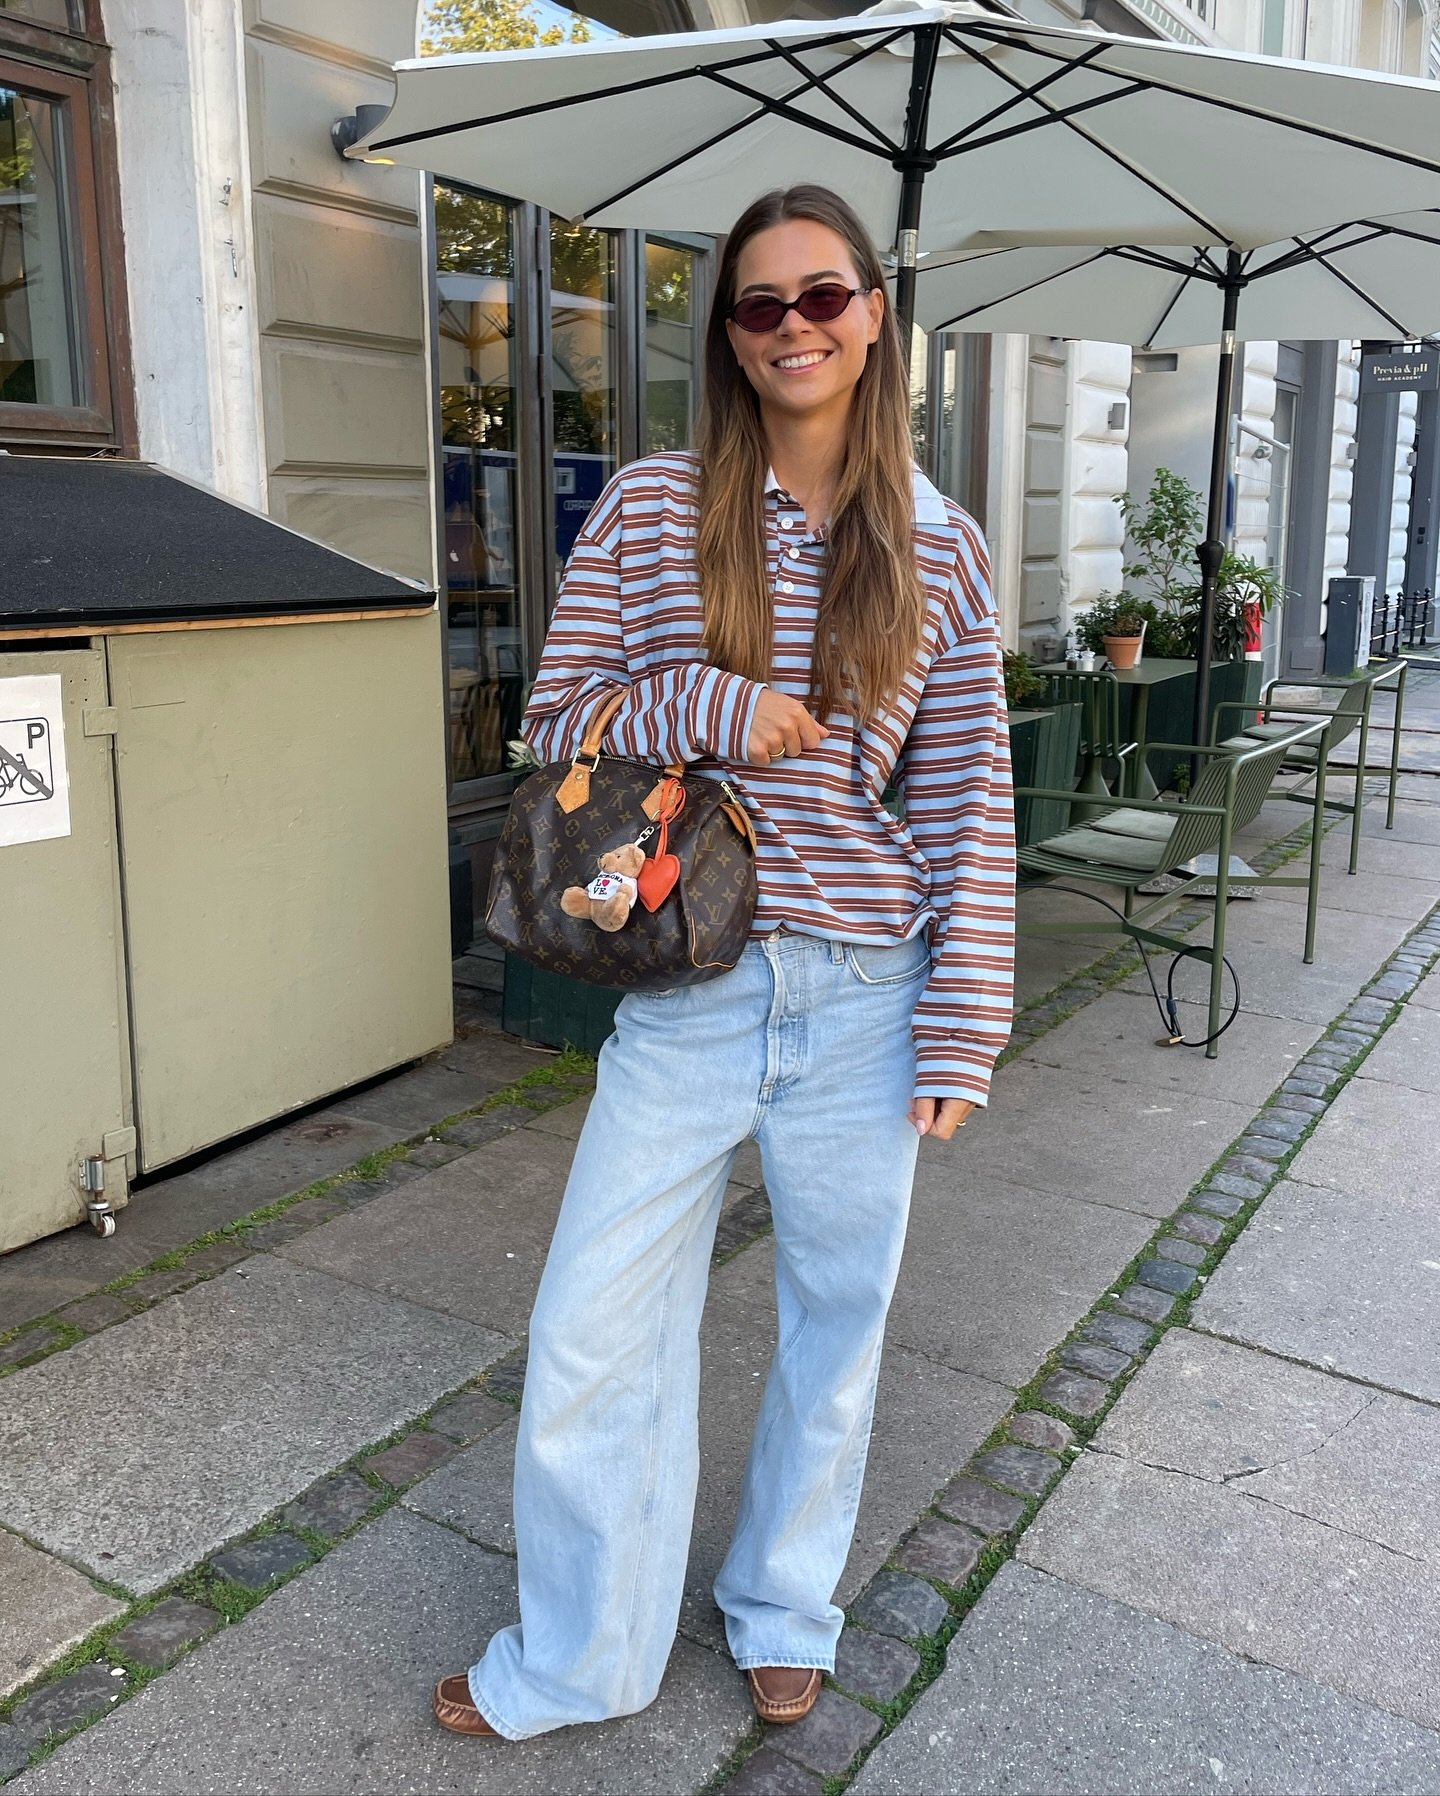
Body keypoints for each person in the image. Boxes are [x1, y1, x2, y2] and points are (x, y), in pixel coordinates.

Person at [434, 183, 1014, 1743]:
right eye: (760, 306)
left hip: (869, 995)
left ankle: (783, 1601)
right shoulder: (649, 509)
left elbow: (965, 799)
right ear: (729, 336)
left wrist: (966, 1023)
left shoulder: (944, 550)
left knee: (839, 1322)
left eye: (825, 296)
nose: (795, 328)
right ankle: (584, 1654)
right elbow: (554, 729)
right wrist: (708, 702)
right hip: (690, 985)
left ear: (877, 314)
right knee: (593, 1326)